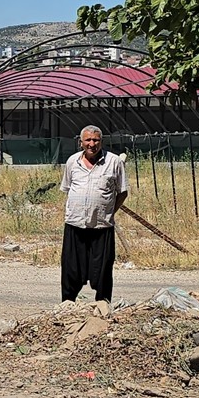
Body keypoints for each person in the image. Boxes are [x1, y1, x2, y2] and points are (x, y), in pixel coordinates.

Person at [60, 125, 128, 302]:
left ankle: (103, 305)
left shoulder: (114, 162)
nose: (92, 144)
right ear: (80, 142)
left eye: (96, 140)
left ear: (101, 141)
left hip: (101, 226)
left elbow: (122, 192)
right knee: (71, 268)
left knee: (103, 269)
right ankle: (67, 304)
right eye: (88, 140)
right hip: (75, 224)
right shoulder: (72, 162)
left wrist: (109, 212)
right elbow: (68, 188)